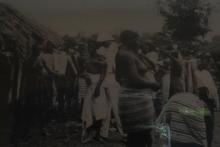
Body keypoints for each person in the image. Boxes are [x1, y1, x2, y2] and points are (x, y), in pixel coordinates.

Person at [115, 30, 159, 147]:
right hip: (134, 100)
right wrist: (152, 85)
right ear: (129, 40)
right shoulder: (126, 55)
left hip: (138, 98)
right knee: (138, 137)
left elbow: (118, 77)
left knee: (143, 135)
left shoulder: (131, 53)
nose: (140, 42)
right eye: (137, 39)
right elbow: (134, 79)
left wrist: (140, 54)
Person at [96, 33, 124, 139]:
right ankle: (105, 133)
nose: (103, 44)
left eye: (104, 42)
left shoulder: (113, 47)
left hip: (112, 78)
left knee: (113, 108)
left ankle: (120, 133)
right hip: (108, 79)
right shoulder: (105, 49)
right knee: (108, 108)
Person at [81, 45, 108, 143]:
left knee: (99, 109)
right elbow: (84, 72)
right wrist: (86, 77)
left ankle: (97, 134)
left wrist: (98, 87)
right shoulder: (86, 60)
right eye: (87, 49)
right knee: (88, 109)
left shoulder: (100, 59)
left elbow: (103, 72)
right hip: (90, 86)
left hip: (98, 84)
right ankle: (88, 133)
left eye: (90, 48)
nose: (88, 50)